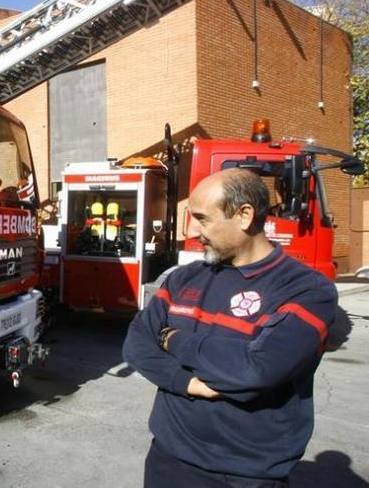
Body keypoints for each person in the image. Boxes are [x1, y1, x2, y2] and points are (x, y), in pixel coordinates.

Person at [123, 168, 337, 487]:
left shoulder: (306, 290)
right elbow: (137, 344)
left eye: (202, 218)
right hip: (168, 459)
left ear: (244, 215)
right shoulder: (184, 278)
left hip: (245, 474)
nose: (191, 231)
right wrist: (185, 382)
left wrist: (173, 339)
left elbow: (255, 370)